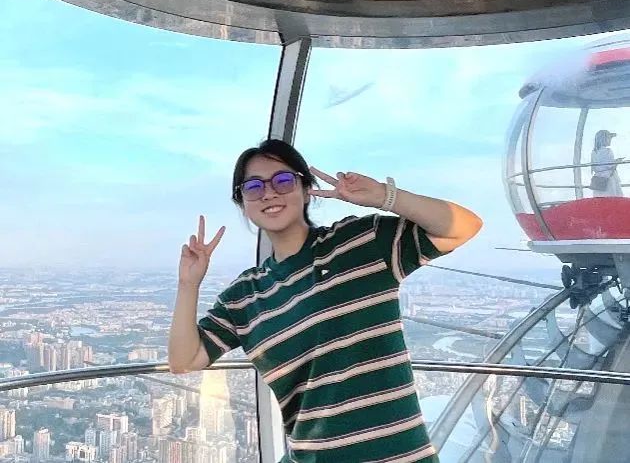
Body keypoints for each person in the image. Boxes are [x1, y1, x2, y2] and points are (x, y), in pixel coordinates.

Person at [168, 139, 483, 462]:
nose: (268, 193)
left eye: (283, 180)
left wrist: (385, 197)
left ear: (307, 190)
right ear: (243, 202)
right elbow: (184, 360)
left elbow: (463, 227)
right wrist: (187, 284)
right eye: (253, 186)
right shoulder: (246, 296)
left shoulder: (360, 243)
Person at [591, 129, 624, 197]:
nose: (610, 140)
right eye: (609, 138)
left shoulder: (594, 152)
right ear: (604, 139)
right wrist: (617, 162)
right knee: (613, 199)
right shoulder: (608, 151)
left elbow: (596, 167)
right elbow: (611, 167)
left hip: (598, 180)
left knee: (600, 199)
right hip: (609, 180)